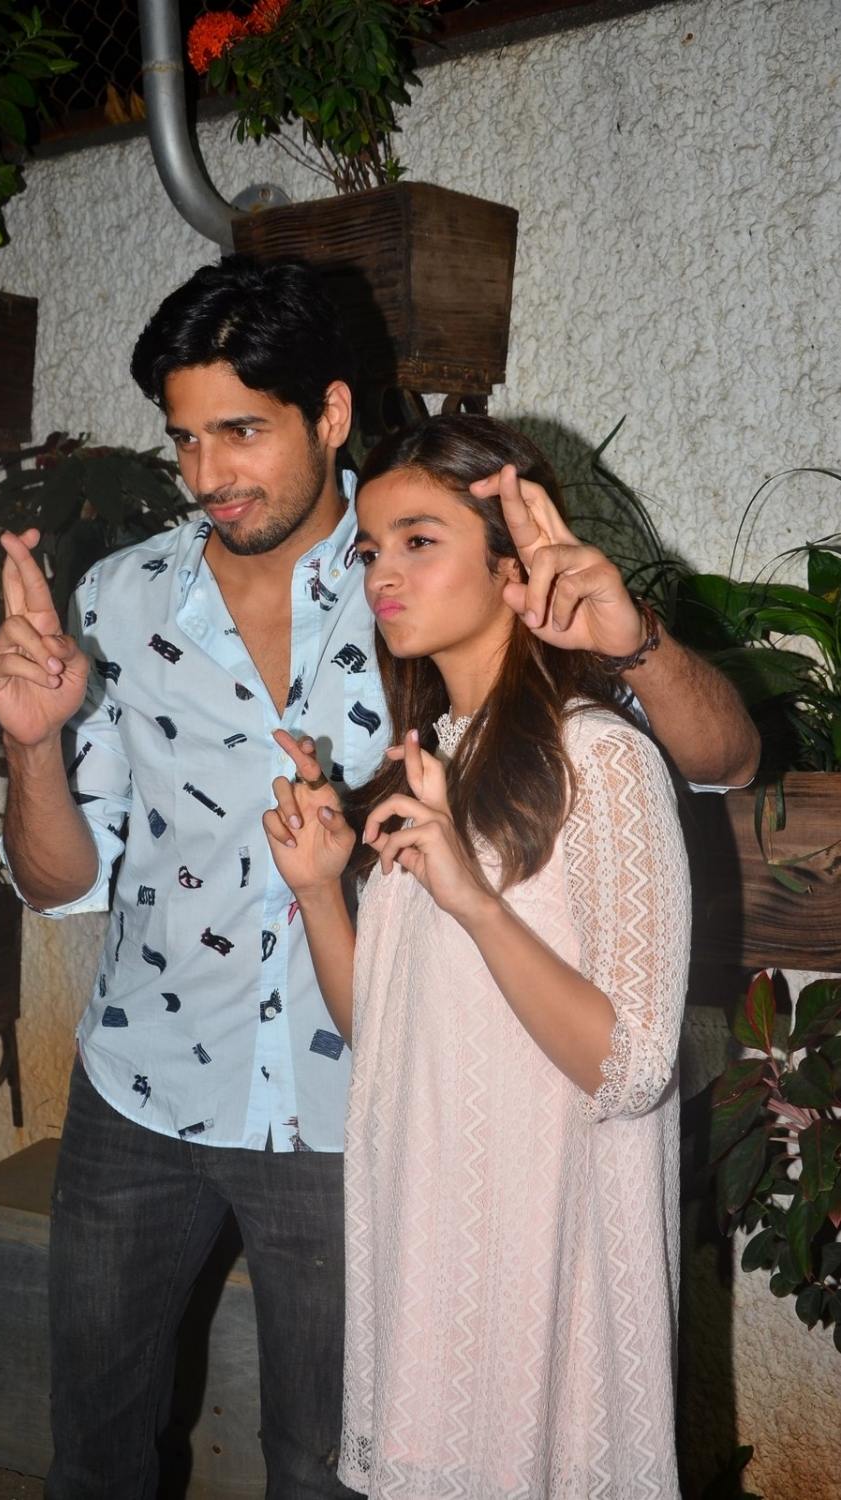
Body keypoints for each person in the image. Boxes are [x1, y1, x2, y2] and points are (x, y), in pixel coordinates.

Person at [0, 256, 758, 1500]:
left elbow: (718, 762)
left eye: (243, 430)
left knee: (331, 1466)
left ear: (330, 412)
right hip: (143, 1086)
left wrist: (638, 643)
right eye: (185, 439)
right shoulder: (121, 601)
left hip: (358, 1109)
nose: (209, 474)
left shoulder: (436, 577)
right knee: (95, 1452)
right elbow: (63, 883)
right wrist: (30, 745)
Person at [263, 413, 693, 1499]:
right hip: (430, 1243)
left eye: (419, 541)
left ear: (514, 567)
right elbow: (388, 1038)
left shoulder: (602, 760)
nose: (382, 575)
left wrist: (473, 902)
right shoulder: (426, 764)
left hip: (541, 1263)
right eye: (370, 548)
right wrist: (319, 891)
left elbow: (632, 1068)